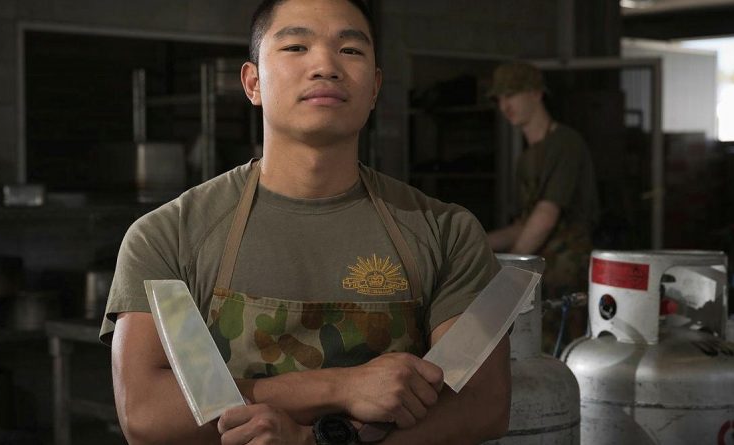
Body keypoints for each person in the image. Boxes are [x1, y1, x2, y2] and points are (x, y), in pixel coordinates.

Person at [100, 0, 510, 443]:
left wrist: (310, 440)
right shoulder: (168, 235)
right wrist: (337, 388)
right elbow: (145, 413)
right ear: (253, 82)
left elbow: (480, 404)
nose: (325, 65)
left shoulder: (445, 232)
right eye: (296, 46)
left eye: (350, 50)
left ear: (374, 88)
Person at [485, 62, 599, 351]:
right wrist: (476, 243)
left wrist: (511, 269)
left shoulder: (565, 144)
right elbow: (526, 224)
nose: (504, 105)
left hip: (564, 274)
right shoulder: (527, 158)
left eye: (511, 94)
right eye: (499, 98)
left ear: (536, 94)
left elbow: (546, 215)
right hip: (539, 274)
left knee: (561, 354)